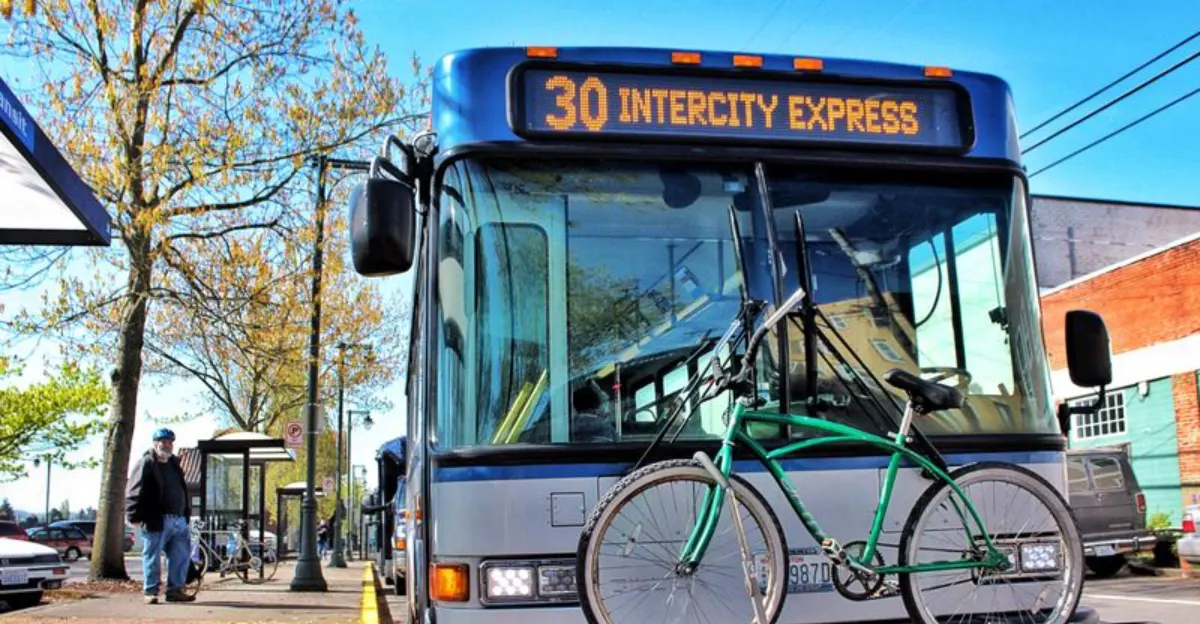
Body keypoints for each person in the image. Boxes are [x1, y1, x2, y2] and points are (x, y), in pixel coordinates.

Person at [125, 427, 195, 604]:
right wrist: (133, 515)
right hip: (157, 519)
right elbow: (133, 490)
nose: (167, 445)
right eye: (163, 441)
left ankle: (175, 590)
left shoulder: (175, 465)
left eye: (170, 442)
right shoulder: (146, 462)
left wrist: (185, 514)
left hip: (179, 519)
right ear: (155, 443)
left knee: (180, 557)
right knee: (152, 556)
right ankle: (151, 591)